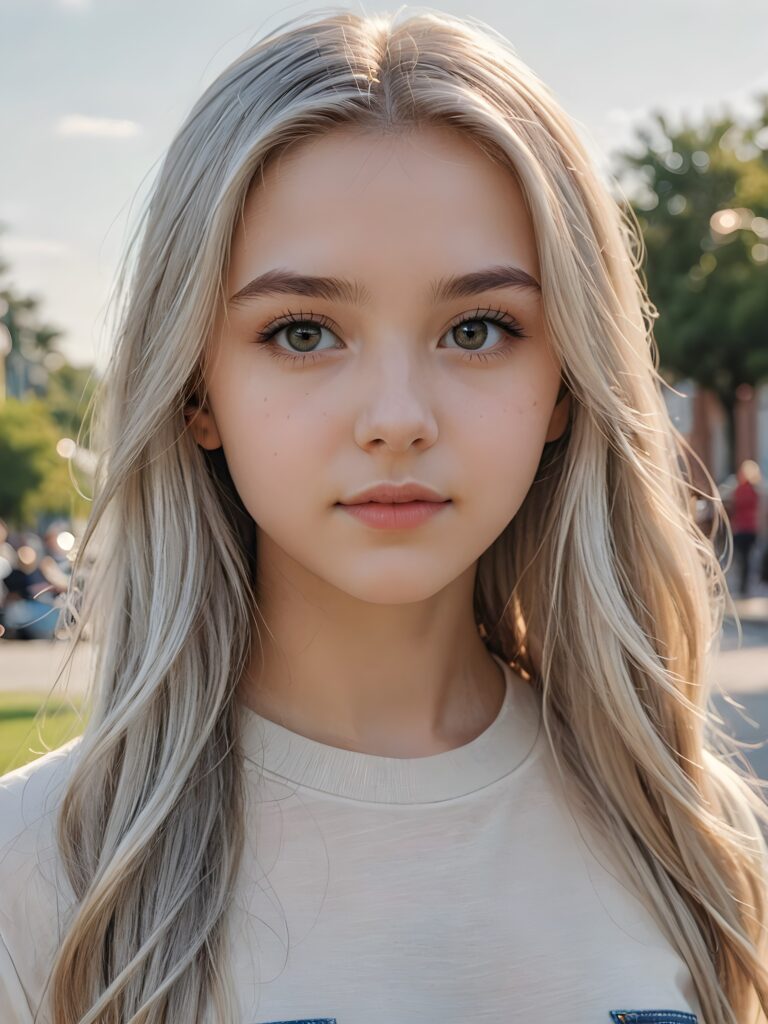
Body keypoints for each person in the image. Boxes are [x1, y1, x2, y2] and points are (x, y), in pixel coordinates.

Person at [1, 9, 766, 1024]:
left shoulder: (688, 838)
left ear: (568, 383)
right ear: (195, 388)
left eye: (478, 328)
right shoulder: (45, 872)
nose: (398, 419)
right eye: (304, 331)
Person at [728, 459, 762, 597]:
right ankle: (745, 585)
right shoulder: (755, 491)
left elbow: (733, 509)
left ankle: (742, 584)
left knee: (741, 558)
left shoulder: (738, 490)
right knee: (748, 558)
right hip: (751, 529)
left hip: (740, 528)